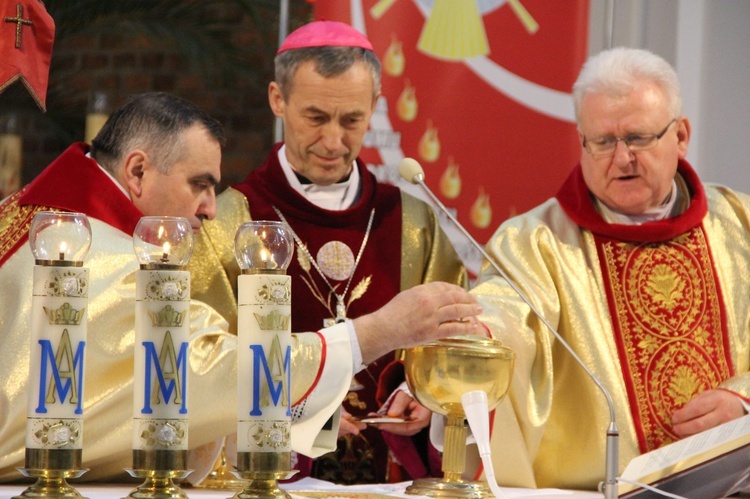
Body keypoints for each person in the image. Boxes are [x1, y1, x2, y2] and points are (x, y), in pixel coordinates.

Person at [0, 92, 481, 482]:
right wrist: (376, 331)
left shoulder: (32, 219)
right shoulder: (97, 258)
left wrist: (292, 414)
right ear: (138, 171)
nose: (210, 209)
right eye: (200, 184)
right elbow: (209, 368)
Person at [188, 20, 467, 483]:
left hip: (391, 482)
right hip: (265, 482)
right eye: (316, 117)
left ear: (375, 107)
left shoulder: (411, 223)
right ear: (278, 99)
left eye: (352, 120)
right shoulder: (229, 220)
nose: (334, 141)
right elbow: (205, 365)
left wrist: (430, 393)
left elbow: (454, 342)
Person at [466, 47, 750, 491]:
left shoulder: (740, 225)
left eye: (638, 138)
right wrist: (471, 339)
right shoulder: (536, 243)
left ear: (680, 136)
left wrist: (745, 403)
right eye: (603, 142)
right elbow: (502, 314)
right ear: (582, 141)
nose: (622, 159)